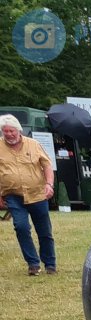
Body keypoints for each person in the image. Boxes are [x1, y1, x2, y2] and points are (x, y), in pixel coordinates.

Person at [0, 114, 56, 276]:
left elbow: (47, 165)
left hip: (37, 194)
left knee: (44, 231)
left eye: (12, 131)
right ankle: (33, 263)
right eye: (5, 131)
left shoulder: (33, 144)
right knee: (21, 227)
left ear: (19, 130)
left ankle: (50, 264)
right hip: (13, 195)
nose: (9, 134)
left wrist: (49, 184)